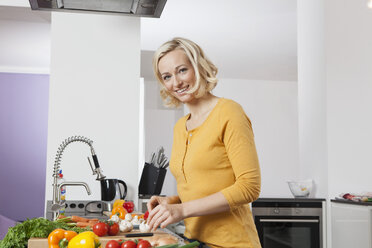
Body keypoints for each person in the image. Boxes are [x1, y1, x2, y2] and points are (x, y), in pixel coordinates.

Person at [146, 37, 262, 248]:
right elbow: (202, 187)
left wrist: (181, 210)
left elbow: (249, 187)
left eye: (182, 70)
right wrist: (172, 202)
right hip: (195, 241)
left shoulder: (229, 112)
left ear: (198, 67)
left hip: (234, 243)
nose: (176, 82)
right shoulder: (180, 126)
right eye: (167, 76)